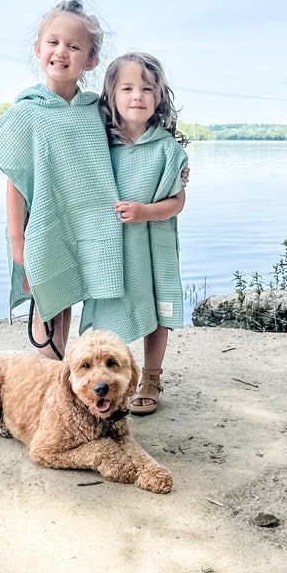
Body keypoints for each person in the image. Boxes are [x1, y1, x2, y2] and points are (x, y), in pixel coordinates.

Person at [0, 0, 124, 359]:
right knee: (48, 298)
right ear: (38, 49)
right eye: (53, 42)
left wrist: (177, 168)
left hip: (89, 222)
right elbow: (16, 179)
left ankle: (68, 373)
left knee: (76, 295)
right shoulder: (28, 111)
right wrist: (17, 239)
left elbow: (131, 147)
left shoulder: (96, 111)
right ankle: (48, 373)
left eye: (74, 46)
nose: (61, 52)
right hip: (42, 225)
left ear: (90, 59)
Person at [80, 52, 188, 414]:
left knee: (158, 310)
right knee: (109, 309)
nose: (137, 96)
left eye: (146, 88)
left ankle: (152, 377)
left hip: (153, 245)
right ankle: (103, 381)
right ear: (111, 97)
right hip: (111, 249)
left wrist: (145, 212)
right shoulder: (98, 146)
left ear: (159, 97)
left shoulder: (167, 149)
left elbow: (177, 202)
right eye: (126, 88)